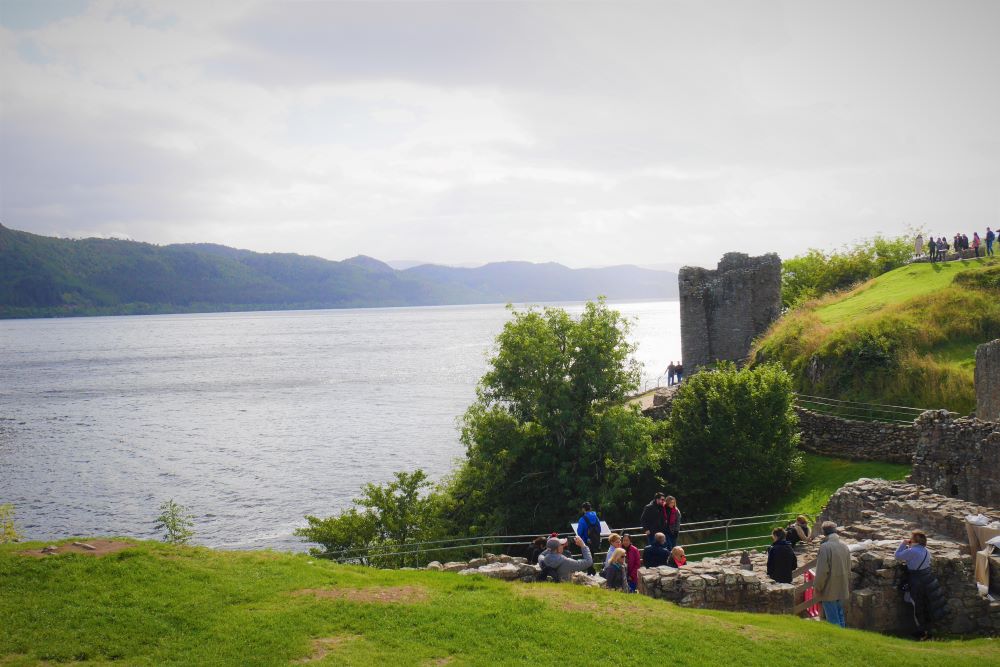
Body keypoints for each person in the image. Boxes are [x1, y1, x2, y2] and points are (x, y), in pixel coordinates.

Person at [895, 530, 948, 639]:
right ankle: (927, 630)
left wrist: (903, 544)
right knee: (926, 605)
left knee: (917, 606)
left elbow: (897, 555)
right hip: (927, 579)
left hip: (917, 581)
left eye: (911, 537)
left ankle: (921, 632)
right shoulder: (925, 550)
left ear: (914, 540)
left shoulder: (913, 551)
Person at [814, 521, 852, 628]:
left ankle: (838, 640)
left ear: (824, 532)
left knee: (833, 619)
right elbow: (849, 567)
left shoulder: (825, 547)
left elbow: (822, 571)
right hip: (842, 586)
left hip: (829, 588)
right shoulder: (844, 546)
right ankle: (844, 637)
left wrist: (817, 587)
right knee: (840, 616)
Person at [577, 502, 602, 574]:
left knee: (586, 556)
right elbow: (599, 529)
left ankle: (590, 571)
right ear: (590, 508)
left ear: (583, 509)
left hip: (585, 542)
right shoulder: (596, 517)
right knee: (592, 555)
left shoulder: (582, 519)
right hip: (595, 541)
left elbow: (579, 532)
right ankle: (591, 570)